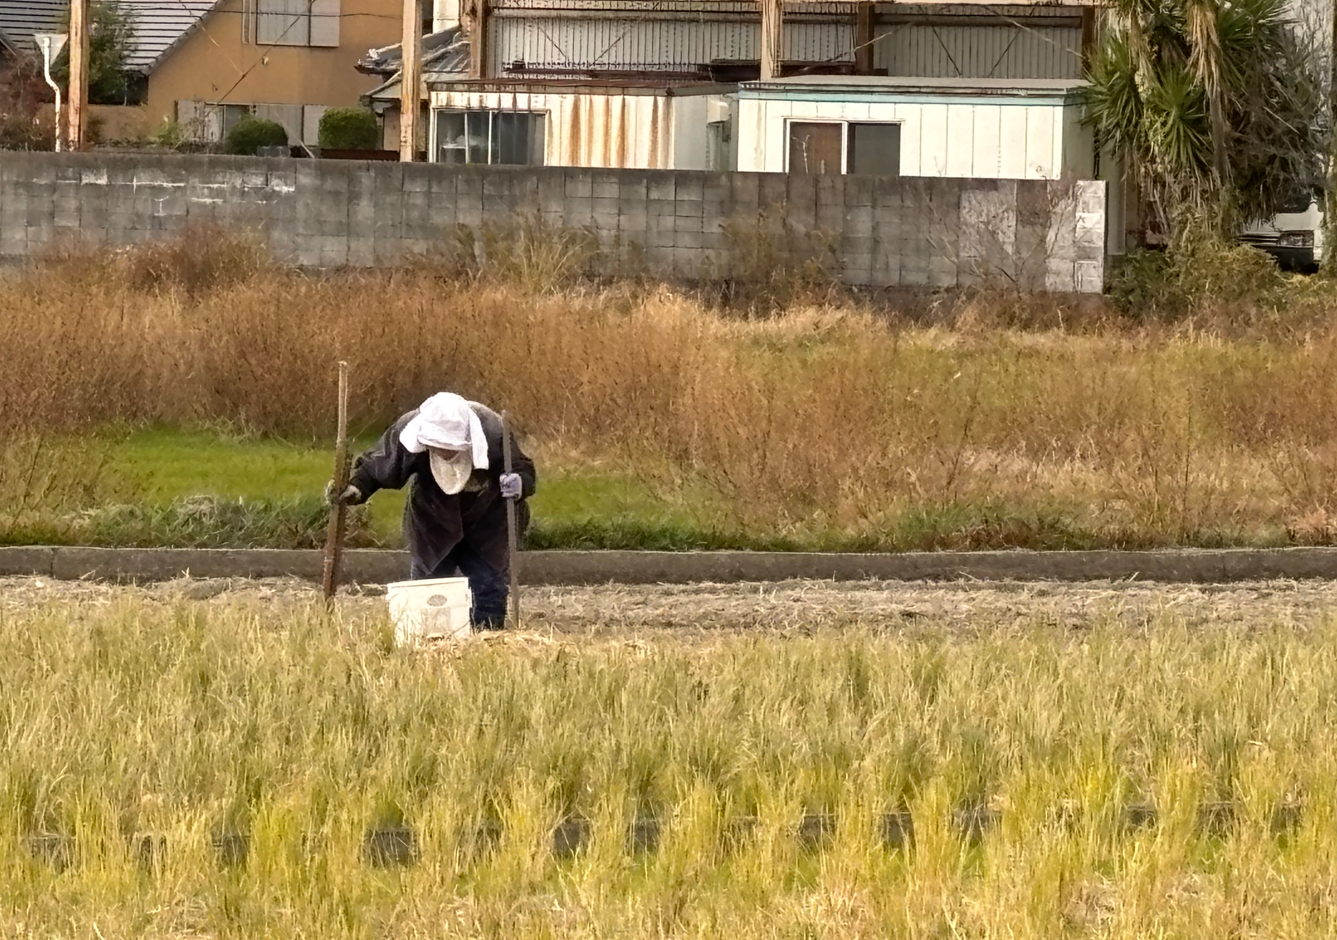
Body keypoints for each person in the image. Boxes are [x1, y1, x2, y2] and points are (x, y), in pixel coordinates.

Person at [329, 392, 536, 629]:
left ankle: (486, 638)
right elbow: (378, 465)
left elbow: (522, 467)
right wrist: (357, 488)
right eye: (436, 446)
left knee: (488, 585)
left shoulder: (493, 430)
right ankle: (433, 644)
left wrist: (519, 483)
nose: (443, 452)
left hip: (488, 520)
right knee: (429, 589)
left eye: (449, 447)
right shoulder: (408, 430)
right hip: (433, 521)